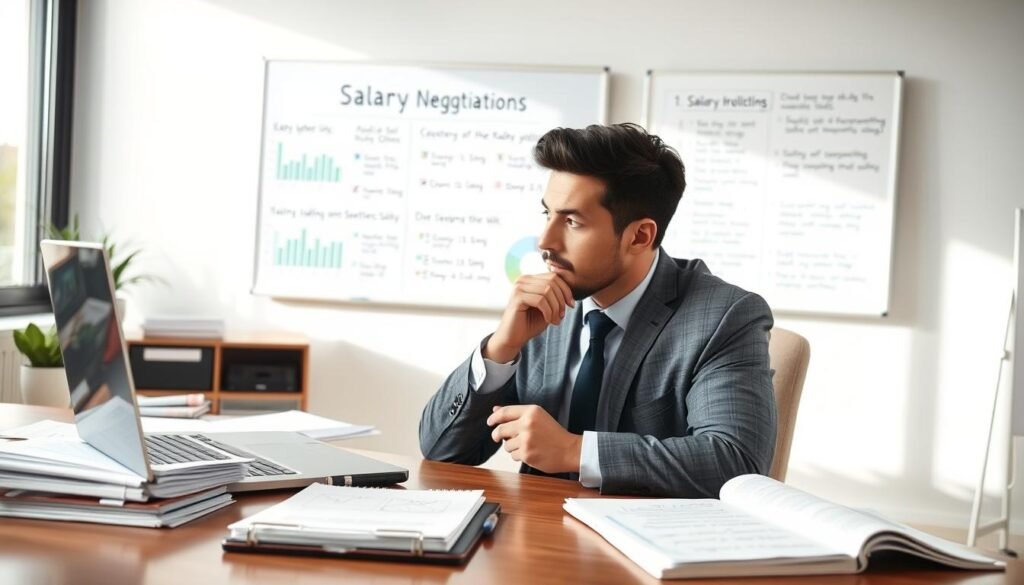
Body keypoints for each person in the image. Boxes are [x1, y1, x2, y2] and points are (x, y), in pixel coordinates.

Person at [419, 123, 777, 497]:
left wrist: (574, 451)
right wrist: (500, 349)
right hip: (535, 524)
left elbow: (735, 462)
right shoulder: (544, 303)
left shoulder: (724, 317)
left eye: (572, 222)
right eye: (547, 214)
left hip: (640, 531)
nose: (544, 241)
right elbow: (441, 450)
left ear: (639, 236)